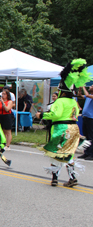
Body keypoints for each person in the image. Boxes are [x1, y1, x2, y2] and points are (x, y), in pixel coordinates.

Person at [36, 59, 91, 187]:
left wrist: (42, 115)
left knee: (56, 152)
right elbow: (75, 114)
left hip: (61, 128)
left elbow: (56, 115)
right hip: (74, 129)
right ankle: (72, 177)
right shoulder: (73, 102)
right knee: (68, 153)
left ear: (61, 90)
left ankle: (55, 178)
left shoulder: (59, 102)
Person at [78, 86, 93, 160]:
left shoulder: (90, 96)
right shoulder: (88, 96)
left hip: (91, 119)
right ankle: (86, 153)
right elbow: (79, 96)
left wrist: (83, 86)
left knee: (91, 137)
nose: (90, 87)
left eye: (92, 86)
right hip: (85, 118)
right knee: (86, 136)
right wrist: (80, 89)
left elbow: (87, 95)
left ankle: (91, 154)